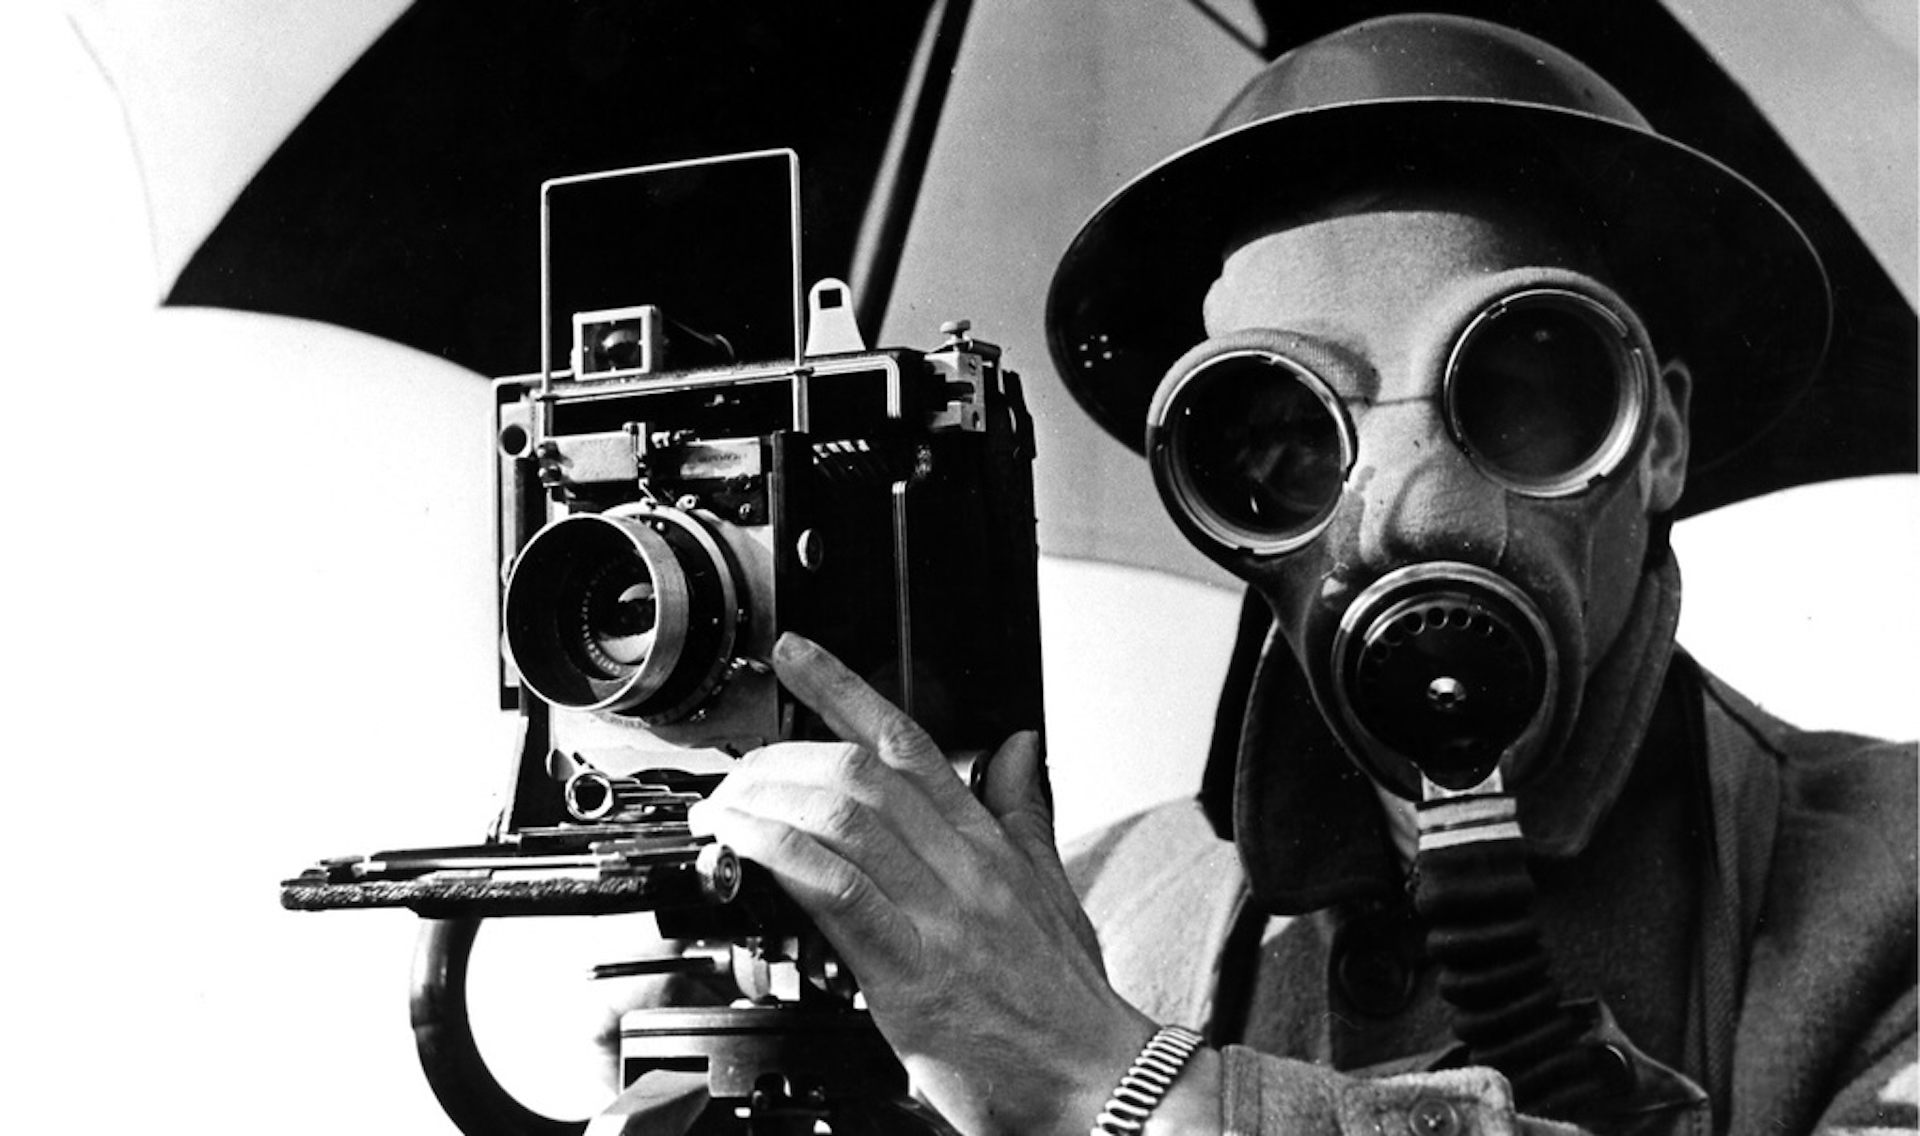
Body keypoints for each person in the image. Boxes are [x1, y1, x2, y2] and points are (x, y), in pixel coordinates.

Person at [682, 14, 1916, 1136]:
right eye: (1280, 432)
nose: (1404, 508)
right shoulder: (1100, 904)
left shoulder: (1885, 885)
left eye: (1520, 387)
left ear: (1654, 437)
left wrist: (1115, 1085)